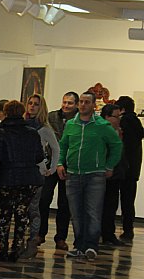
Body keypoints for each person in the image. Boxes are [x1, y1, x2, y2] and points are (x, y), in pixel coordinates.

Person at [57, 91, 122, 261]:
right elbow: (63, 146)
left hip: (95, 175)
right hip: (73, 174)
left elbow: (116, 146)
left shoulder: (102, 126)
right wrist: (59, 163)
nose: (84, 105)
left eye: (87, 102)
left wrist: (109, 165)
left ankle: (91, 245)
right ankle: (79, 245)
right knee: (76, 213)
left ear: (94, 106)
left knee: (93, 212)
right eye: (82, 102)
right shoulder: (71, 124)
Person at [0, 100, 44, 262]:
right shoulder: (32, 132)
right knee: (22, 213)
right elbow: (39, 156)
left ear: (6, 113)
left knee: (5, 214)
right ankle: (17, 248)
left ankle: (2, 249)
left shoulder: (0, 131)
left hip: (7, 176)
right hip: (29, 177)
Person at [22, 94, 59, 258]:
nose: (32, 106)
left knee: (34, 208)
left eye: (36, 104)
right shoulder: (22, 125)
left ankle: (32, 241)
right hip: (22, 171)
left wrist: (51, 167)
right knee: (22, 209)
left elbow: (56, 148)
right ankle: (20, 241)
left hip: (37, 172)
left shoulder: (44, 128)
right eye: (30, 103)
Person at [40, 92, 78, 251]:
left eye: (70, 103)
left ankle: (61, 237)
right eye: (64, 102)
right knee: (44, 198)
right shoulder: (52, 117)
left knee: (65, 203)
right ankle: (40, 234)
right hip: (51, 163)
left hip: (69, 165)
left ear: (75, 105)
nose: (66, 105)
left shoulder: (78, 120)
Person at [115, 96, 144, 243]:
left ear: (122, 109)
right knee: (128, 201)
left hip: (122, 168)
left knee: (113, 200)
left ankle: (109, 229)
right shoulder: (137, 123)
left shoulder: (124, 122)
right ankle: (128, 230)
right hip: (133, 170)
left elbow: (121, 146)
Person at [100, 103, 127, 246]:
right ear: (106, 117)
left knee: (111, 205)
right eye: (115, 117)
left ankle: (109, 234)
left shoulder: (119, 131)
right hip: (104, 173)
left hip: (116, 174)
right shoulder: (102, 132)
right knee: (102, 205)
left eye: (119, 116)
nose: (118, 120)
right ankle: (103, 234)